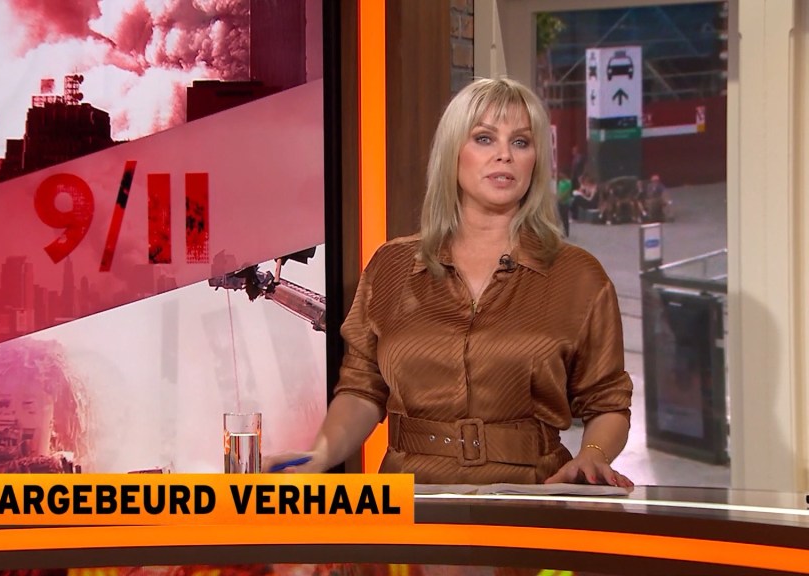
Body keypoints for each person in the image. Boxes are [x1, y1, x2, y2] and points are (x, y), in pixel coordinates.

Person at [267, 77, 633, 486]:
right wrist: (319, 455)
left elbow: (607, 402)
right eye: (484, 138)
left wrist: (592, 455)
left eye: (520, 142)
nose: (504, 155)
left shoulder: (578, 276)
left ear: (535, 161)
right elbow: (361, 389)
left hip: (530, 496)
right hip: (411, 496)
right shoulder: (391, 265)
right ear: (452, 153)